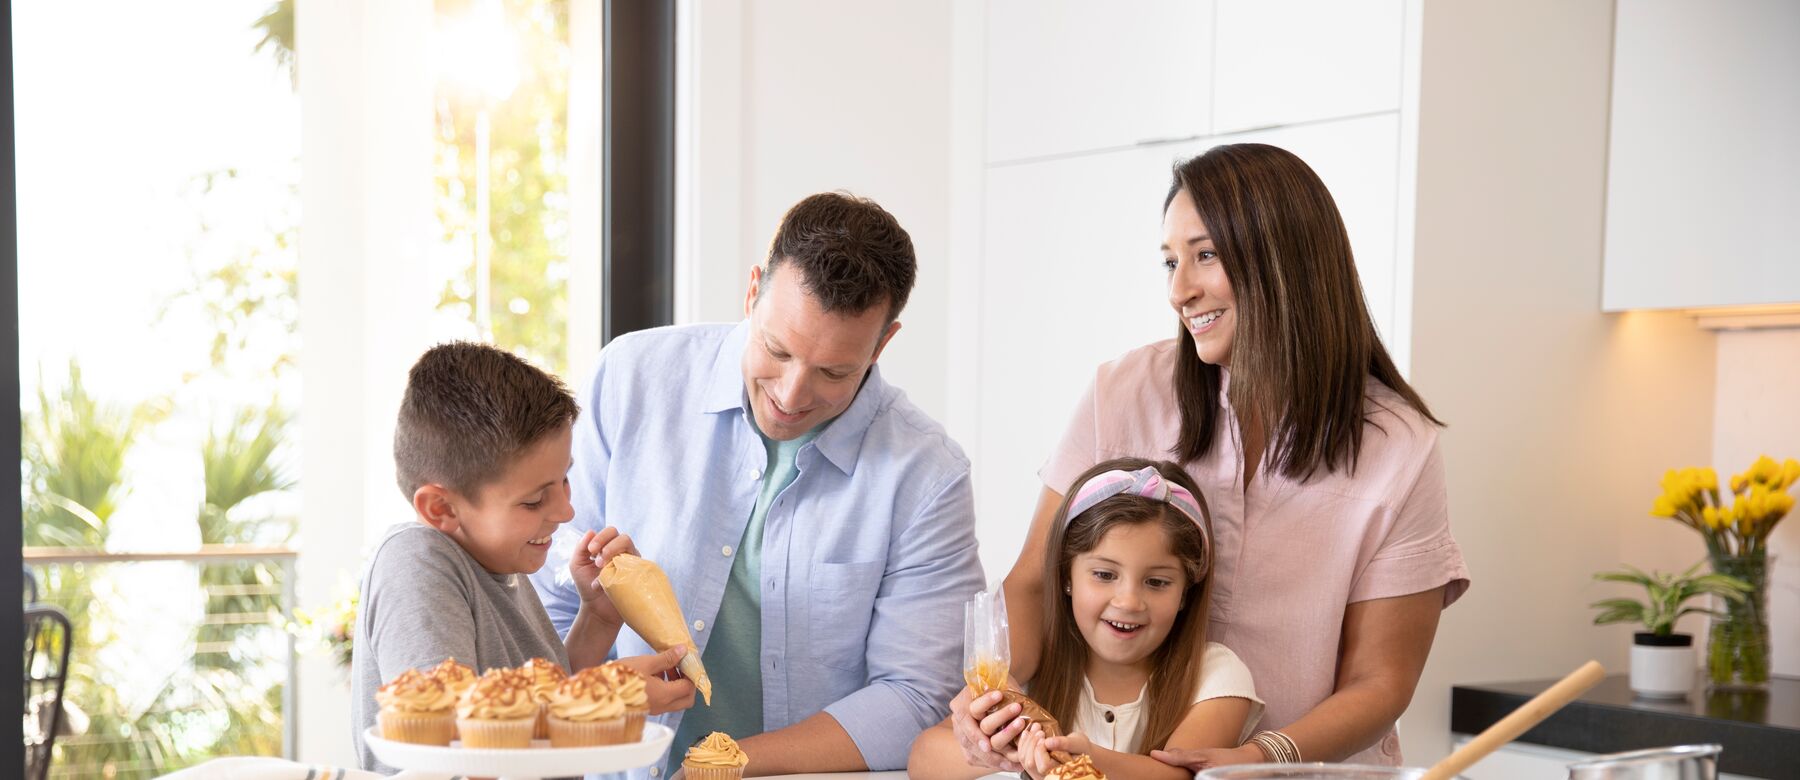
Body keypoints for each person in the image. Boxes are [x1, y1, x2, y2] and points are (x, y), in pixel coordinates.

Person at [950, 143, 1471, 771]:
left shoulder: (1399, 446)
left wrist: (1256, 757)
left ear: (1288, 261)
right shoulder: (1122, 393)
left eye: (1205, 255)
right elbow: (1034, 583)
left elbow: (1379, 682)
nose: (1179, 290)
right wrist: (991, 698)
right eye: (1170, 261)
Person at [531, 192, 985, 777]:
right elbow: (546, 604)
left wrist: (722, 763)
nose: (793, 395)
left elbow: (914, 695)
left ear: (883, 344)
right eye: (777, 349)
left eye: (834, 372)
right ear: (752, 293)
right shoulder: (630, 379)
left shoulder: (928, 476)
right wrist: (594, 690)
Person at [351, 342, 693, 772]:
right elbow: (455, 740)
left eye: (564, 480)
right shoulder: (416, 561)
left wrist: (599, 618)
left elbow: (525, 725)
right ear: (442, 509)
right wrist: (604, 696)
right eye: (534, 501)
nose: (566, 511)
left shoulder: (501, 562)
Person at [910, 458, 1263, 778]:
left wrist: (1079, 756)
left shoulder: (1216, 676)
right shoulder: (1037, 665)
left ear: (1186, 593)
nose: (1128, 602)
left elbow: (1178, 776)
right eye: (1105, 575)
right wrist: (1004, 752)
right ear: (1066, 576)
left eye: (1157, 582)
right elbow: (924, 759)